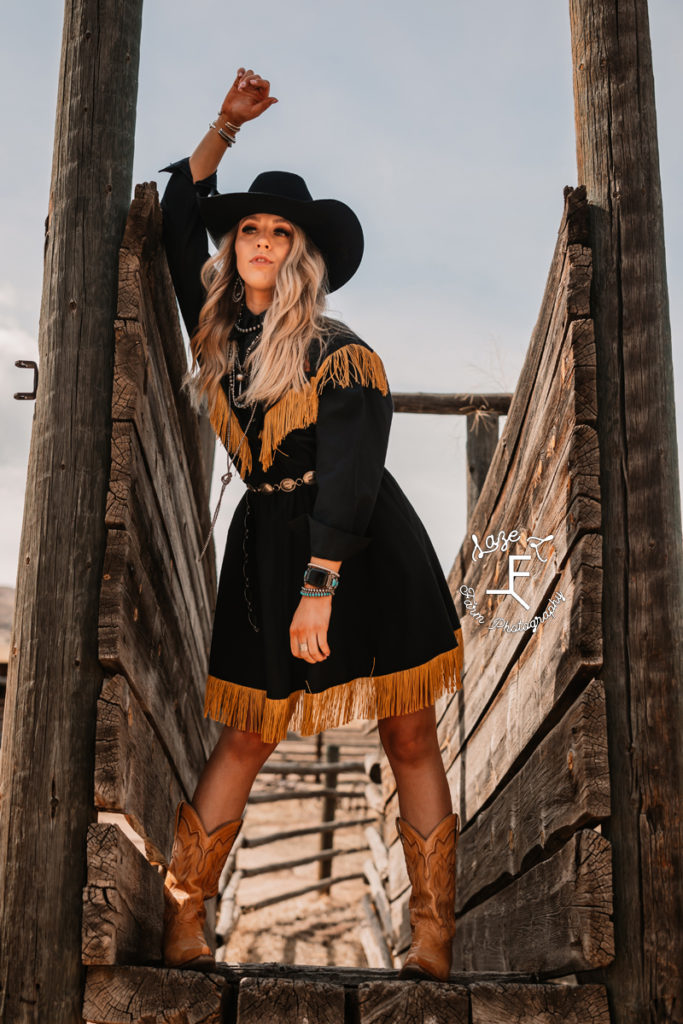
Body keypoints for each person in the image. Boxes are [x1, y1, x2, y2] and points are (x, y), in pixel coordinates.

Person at [158, 67, 464, 982]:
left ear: (301, 253)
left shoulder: (340, 352)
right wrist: (224, 125)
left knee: (408, 734)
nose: (258, 241)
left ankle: (432, 941)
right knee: (244, 735)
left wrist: (319, 588)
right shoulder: (216, 334)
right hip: (261, 549)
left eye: (276, 232)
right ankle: (186, 921)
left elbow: (354, 480)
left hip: (360, 551)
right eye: (247, 229)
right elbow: (180, 212)